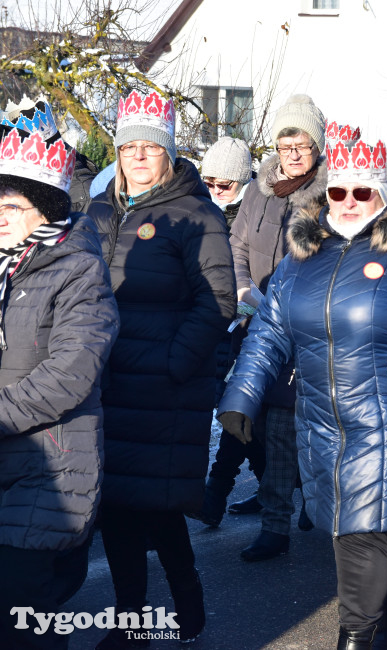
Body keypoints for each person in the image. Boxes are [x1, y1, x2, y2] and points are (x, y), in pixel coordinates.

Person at [218, 135, 387, 649]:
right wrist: (240, 396)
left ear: (383, 195)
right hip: (321, 424)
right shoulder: (299, 258)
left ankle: (354, 638)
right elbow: (269, 331)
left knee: (363, 536)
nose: (350, 202)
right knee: (347, 531)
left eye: (363, 192)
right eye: (339, 193)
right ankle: (372, 636)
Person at [87, 89, 235, 648]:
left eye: (152, 147)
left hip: (162, 388)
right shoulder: (98, 211)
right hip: (104, 383)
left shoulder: (196, 215)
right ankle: (133, 619)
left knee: (157, 505)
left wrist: (173, 364)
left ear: (168, 153)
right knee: (118, 507)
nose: (140, 156)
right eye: (130, 147)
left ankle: (185, 602)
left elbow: (216, 302)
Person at [0, 114, 119, 650]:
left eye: (12, 207)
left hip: (48, 463)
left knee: (23, 618)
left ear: (45, 208)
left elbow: (70, 373)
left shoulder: (79, 271)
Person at [227, 94, 329, 561]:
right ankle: (298, 493)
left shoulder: (329, 193)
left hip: (305, 330)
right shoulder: (257, 190)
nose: (291, 152)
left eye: (301, 144)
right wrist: (246, 291)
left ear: (316, 146)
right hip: (257, 320)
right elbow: (237, 247)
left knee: (287, 426)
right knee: (258, 423)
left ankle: (277, 525)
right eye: (284, 142)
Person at [187, 136, 260, 529]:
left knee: (236, 411)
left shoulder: (252, 210)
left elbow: (252, 267)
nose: (215, 191)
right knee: (233, 412)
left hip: (246, 327)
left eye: (224, 185)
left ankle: (214, 497)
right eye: (209, 181)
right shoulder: (201, 211)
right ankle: (272, 489)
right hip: (212, 326)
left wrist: (243, 303)